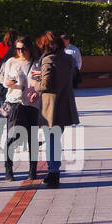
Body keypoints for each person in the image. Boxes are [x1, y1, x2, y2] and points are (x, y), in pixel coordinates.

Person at [34, 32, 77, 188]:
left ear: (49, 46)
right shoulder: (68, 58)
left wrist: (34, 84)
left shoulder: (48, 59)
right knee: (56, 140)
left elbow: (45, 85)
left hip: (51, 106)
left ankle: (53, 173)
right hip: (65, 103)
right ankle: (54, 171)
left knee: (51, 140)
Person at [0, 35, 38, 181]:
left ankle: (32, 171)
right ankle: (8, 170)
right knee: (11, 137)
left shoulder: (36, 63)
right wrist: (7, 82)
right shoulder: (11, 62)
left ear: (29, 48)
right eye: (18, 49)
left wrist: (36, 92)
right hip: (14, 103)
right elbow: (3, 81)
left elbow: (41, 82)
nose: (20, 52)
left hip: (32, 105)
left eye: (23, 49)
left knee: (32, 139)